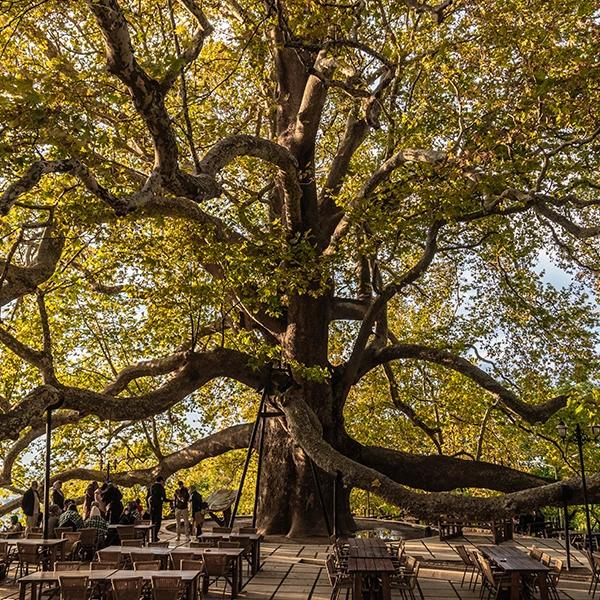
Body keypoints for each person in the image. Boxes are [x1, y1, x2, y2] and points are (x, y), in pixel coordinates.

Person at [147, 476, 168, 542]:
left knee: (153, 522)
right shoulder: (161, 488)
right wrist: (171, 500)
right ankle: (155, 536)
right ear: (161, 481)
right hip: (158, 507)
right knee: (158, 522)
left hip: (151, 507)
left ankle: (153, 536)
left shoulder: (151, 487)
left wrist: (148, 506)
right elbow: (164, 498)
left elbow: (147, 497)